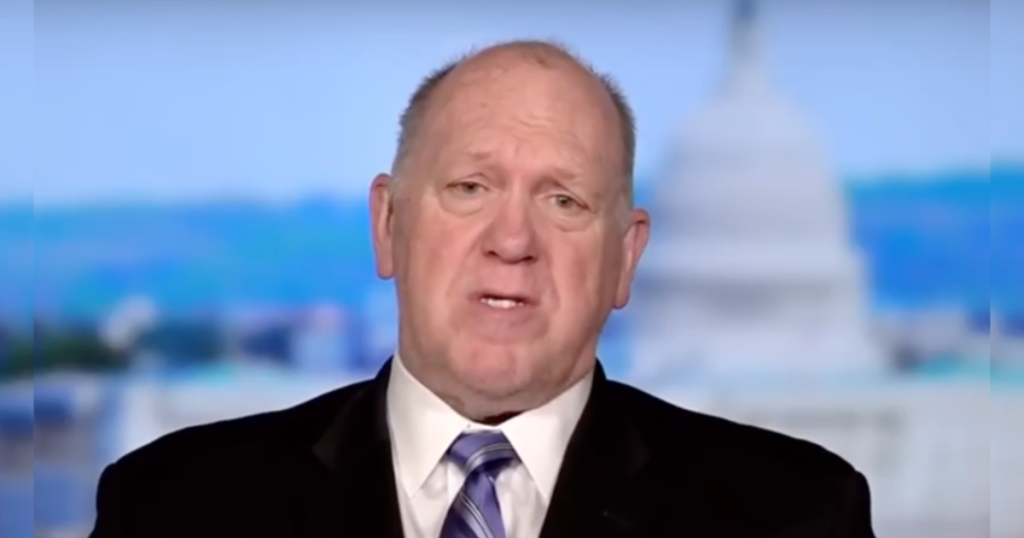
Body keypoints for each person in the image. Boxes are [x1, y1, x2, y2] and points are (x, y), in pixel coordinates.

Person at [88, 40, 876, 538]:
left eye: (563, 201)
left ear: (625, 257)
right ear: (387, 224)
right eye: (469, 188)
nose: (512, 241)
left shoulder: (798, 513)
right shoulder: (173, 507)